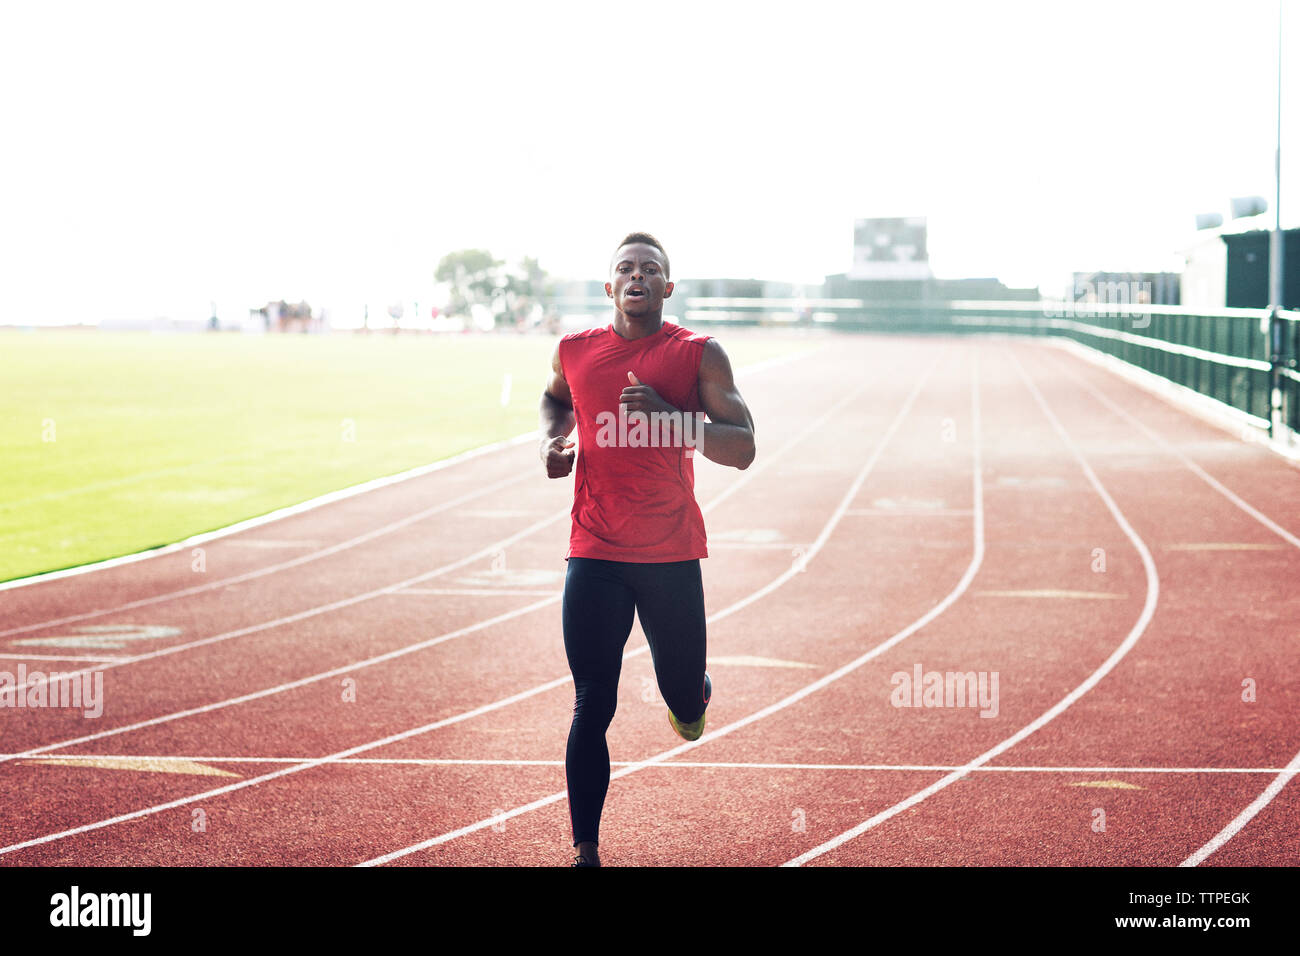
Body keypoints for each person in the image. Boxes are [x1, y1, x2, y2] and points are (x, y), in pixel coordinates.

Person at [538, 232, 756, 867]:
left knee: (682, 699)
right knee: (591, 701)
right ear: (609, 287)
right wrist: (556, 443)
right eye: (625, 270)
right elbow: (556, 400)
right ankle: (586, 853)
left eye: (650, 270)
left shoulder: (697, 356)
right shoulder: (574, 352)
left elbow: (742, 448)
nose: (637, 277)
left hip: (669, 555)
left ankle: (694, 697)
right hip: (596, 551)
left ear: (667, 287)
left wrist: (672, 418)